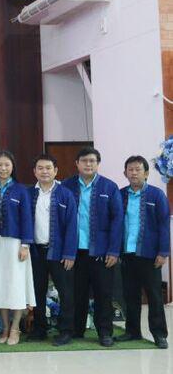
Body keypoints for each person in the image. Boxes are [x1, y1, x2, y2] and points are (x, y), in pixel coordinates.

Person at [61, 147, 124, 347]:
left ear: (98, 164)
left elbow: (117, 220)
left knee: (103, 294)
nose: (88, 164)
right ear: (77, 164)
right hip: (74, 252)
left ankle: (104, 332)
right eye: (84, 160)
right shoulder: (66, 186)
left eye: (92, 161)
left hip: (102, 252)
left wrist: (113, 250)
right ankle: (75, 330)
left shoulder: (109, 187)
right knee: (75, 294)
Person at [117, 155, 169, 349]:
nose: (134, 173)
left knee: (154, 296)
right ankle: (132, 331)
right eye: (130, 170)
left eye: (138, 169)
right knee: (130, 295)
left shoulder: (157, 195)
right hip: (127, 253)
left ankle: (159, 334)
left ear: (146, 173)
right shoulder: (121, 194)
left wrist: (163, 252)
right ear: (125, 173)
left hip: (149, 255)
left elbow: (164, 225)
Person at [0, 151, 35, 346]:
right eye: (0, 165)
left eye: (7, 165)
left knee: (16, 286)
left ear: (12, 167)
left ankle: (15, 328)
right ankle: (5, 327)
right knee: (0, 286)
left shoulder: (21, 190)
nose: (3, 168)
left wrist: (25, 244)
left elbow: (27, 218)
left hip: (16, 244)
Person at [28, 154, 78, 346]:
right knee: (37, 291)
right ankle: (40, 329)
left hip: (59, 252)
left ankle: (66, 331)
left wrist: (69, 253)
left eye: (48, 168)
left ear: (56, 171)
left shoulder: (65, 194)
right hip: (36, 252)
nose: (44, 171)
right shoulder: (29, 193)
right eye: (40, 168)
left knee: (66, 292)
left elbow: (72, 226)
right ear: (34, 172)